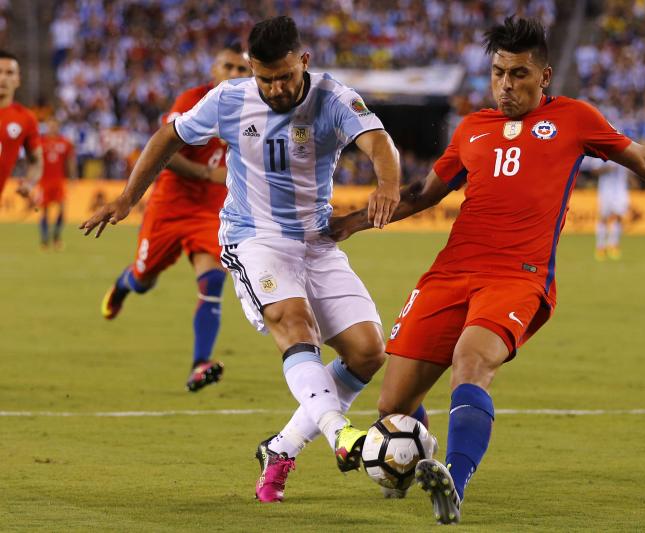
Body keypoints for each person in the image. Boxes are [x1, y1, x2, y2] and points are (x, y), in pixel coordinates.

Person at [328, 17, 645, 525]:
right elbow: (423, 194)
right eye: (498, 73)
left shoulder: (574, 118)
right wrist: (351, 223)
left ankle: (454, 481)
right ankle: (411, 458)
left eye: (518, 74)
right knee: (392, 406)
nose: (505, 85)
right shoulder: (472, 128)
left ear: (544, 76)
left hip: (518, 276)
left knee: (472, 362)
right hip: (450, 273)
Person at [80, 16, 401, 503]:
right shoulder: (229, 98)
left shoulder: (333, 97)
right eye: (265, 78)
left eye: (285, 77)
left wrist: (388, 185)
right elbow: (169, 136)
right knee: (295, 323)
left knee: (368, 353)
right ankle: (340, 433)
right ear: (252, 69)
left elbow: (378, 141)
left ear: (304, 61)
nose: (275, 89)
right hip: (254, 238)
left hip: (316, 240)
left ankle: (281, 447)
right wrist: (127, 198)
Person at [99, 44, 250, 392]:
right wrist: (205, 173)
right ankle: (124, 285)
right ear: (214, 70)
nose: (235, 74)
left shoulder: (256, 106)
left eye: (242, 70)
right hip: (169, 205)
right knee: (143, 279)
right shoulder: (193, 100)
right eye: (228, 67)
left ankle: (200, 364)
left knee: (213, 280)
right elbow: (165, 149)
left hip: (212, 209)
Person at [0, 50, 43, 202]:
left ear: (18, 80)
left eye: (9, 73)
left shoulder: (25, 118)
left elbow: (36, 161)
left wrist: (29, 183)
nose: (3, 78)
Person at [37, 117, 76, 250]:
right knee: (44, 211)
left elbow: (70, 161)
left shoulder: (65, 143)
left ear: (58, 127)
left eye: (55, 125)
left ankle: (56, 237)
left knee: (62, 209)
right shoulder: (40, 142)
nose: (52, 128)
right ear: (47, 127)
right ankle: (44, 240)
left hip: (59, 181)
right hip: (44, 181)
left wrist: (72, 177)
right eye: (50, 125)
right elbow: (34, 160)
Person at [582, 157, 630, 260]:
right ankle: (600, 247)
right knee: (603, 217)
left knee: (618, 217)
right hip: (605, 190)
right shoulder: (602, 155)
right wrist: (607, 168)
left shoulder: (624, 153)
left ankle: (614, 245)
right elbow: (594, 170)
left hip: (620, 190)